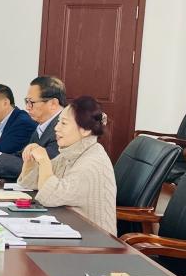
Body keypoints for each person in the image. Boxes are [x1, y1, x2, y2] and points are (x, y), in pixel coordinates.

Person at [17, 96, 117, 235]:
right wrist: (30, 160)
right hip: (72, 231)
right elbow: (30, 183)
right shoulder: (71, 152)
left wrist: (44, 161)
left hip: (96, 241)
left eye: (63, 123)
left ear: (85, 130)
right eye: (58, 122)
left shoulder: (92, 163)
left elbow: (49, 196)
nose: (56, 128)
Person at [0, 76, 65, 179]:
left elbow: (38, 169)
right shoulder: (42, 126)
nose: (27, 107)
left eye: (31, 102)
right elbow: (22, 156)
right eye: (26, 101)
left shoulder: (63, 129)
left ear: (53, 103)